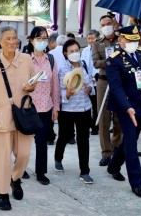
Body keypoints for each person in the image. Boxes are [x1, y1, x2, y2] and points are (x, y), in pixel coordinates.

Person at [0, 26, 36, 211]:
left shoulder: (26, 60)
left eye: (14, 38)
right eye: (8, 39)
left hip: (24, 116)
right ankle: (3, 194)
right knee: (1, 159)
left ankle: (15, 178)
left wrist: (31, 88)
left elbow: (34, 83)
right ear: (0, 42)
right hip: (1, 117)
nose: (12, 42)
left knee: (24, 155)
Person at [105, 25, 141, 198]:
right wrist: (127, 107)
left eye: (136, 40)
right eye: (130, 40)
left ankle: (113, 165)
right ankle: (137, 184)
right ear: (121, 41)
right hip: (125, 107)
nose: (134, 43)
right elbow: (116, 88)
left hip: (140, 105)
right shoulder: (113, 60)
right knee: (132, 144)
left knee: (129, 139)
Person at [54, 39, 95, 184]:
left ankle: (85, 171)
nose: (75, 53)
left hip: (84, 108)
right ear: (65, 53)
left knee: (83, 139)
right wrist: (68, 94)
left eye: (77, 50)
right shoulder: (63, 69)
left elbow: (90, 82)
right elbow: (60, 91)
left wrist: (90, 88)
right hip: (68, 109)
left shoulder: (83, 64)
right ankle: (58, 157)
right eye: (71, 51)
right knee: (64, 136)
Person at [27, 26, 60, 185]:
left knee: (42, 142)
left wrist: (56, 107)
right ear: (32, 40)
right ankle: (21, 168)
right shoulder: (25, 59)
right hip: (28, 107)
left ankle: (41, 172)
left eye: (44, 38)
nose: (42, 41)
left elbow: (55, 85)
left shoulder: (51, 60)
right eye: (38, 38)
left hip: (46, 107)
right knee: (23, 143)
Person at [92, 15, 122, 166]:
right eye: (103, 25)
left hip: (119, 82)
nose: (106, 26)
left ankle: (116, 146)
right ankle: (106, 152)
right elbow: (96, 63)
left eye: (108, 23)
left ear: (114, 23)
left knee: (119, 118)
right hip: (103, 82)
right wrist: (110, 61)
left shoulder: (122, 40)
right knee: (103, 118)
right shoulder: (97, 44)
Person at [81, 29, 100, 135]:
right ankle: (88, 125)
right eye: (88, 38)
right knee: (88, 105)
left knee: (96, 105)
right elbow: (83, 65)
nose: (90, 40)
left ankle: (95, 127)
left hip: (97, 81)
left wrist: (94, 76)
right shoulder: (85, 51)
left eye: (92, 38)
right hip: (87, 82)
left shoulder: (100, 49)